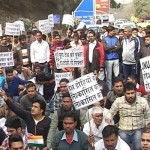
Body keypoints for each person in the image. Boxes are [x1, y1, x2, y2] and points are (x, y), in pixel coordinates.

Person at [107, 82, 150, 150]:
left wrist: (148, 128)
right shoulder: (118, 101)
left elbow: (148, 116)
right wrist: (109, 120)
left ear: (136, 92)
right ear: (124, 93)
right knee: (123, 147)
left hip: (138, 128)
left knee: (138, 146)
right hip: (123, 129)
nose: (130, 95)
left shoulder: (143, 101)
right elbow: (110, 113)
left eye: (132, 93)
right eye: (128, 93)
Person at [103, 26, 120, 90]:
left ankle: (117, 89)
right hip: (108, 59)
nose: (114, 32)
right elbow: (105, 48)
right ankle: (110, 90)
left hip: (116, 58)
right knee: (109, 76)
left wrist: (111, 49)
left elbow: (119, 46)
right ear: (109, 31)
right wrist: (113, 47)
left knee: (116, 75)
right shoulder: (104, 39)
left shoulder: (116, 38)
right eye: (113, 31)